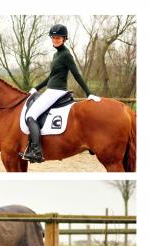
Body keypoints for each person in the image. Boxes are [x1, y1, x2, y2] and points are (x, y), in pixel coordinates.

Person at [21, 23, 100, 163]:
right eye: (53, 37)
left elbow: (76, 74)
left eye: (58, 38)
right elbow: (51, 77)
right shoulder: (56, 55)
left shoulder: (66, 55)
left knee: (31, 116)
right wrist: (36, 88)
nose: (55, 40)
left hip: (56, 91)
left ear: (64, 39)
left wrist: (89, 93)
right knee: (33, 114)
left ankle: (36, 151)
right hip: (50, 90)